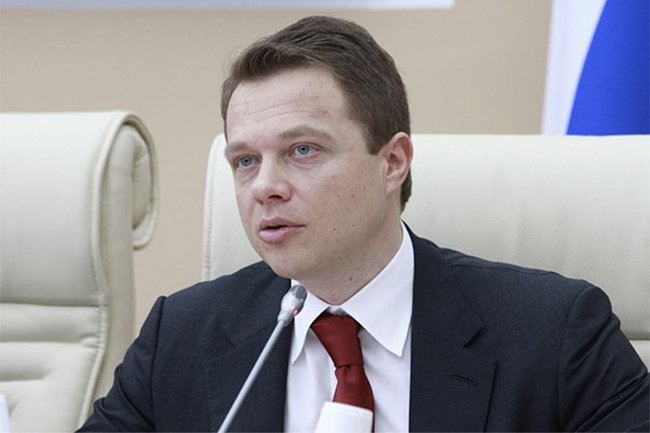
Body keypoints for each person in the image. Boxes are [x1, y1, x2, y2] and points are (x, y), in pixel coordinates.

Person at [78, 16, 649, 432]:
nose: (264, 186)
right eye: (245, 161)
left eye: (302, 150)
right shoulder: (181, 336)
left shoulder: (554, 333)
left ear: (393, 162)